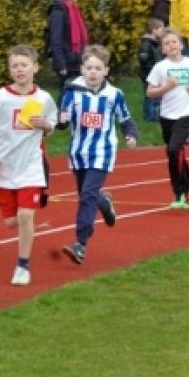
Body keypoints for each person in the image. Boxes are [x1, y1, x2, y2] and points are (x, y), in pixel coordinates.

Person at [0, 45, 57, 285]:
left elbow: (51, 125)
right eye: (15, 66)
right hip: (5, 167)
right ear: (10, 70)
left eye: (24, 65)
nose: (19, 70)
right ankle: (21, 222)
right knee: (11, 221)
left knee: (25, 216)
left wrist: (45, 125)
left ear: (35, 68)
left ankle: (22, 266)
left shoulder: (43, 98)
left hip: (31, 166)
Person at [56, 45, 138, 265]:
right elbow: (62, 118)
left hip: (103, 152)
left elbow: (126, 119)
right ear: (82, 69)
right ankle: (104, 201)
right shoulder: (72, 91)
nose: (93, 72)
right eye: (89, 67)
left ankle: (80, 244)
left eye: (97, 68)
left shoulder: (114, 95)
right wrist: (61, 120)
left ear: (106, 71)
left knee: (86, 196)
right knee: (87, 194)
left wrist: (131, 135)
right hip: (78, 152)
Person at [146, 29, 189, 210]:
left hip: (187, 114)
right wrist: (166, 87)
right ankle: (186, 183)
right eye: (167, 43)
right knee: (174, 153)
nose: (171, 45)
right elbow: (150, 92)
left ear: (181, 45)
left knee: (174, 149)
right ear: (163, 49)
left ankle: (182, 193)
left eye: (174, 41)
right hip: (167, 116)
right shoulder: (160, 67)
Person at [47, 0, 89, 88]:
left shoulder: (73, 9)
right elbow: (55, 40)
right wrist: (61, 64)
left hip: (75, 60)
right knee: (66, 91)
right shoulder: (59, 11)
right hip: (67, 62)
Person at [138, 18, 165, 122]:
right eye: (161, 30)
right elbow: (143, 59)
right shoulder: (147, 43)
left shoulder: (155, 43)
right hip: (149, 74)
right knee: (150, 96)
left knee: (157, 96)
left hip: (156, 74)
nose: (162, 33)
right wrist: (151, 69)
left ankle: (155, 116)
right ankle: (149, 117)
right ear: (154, 30)